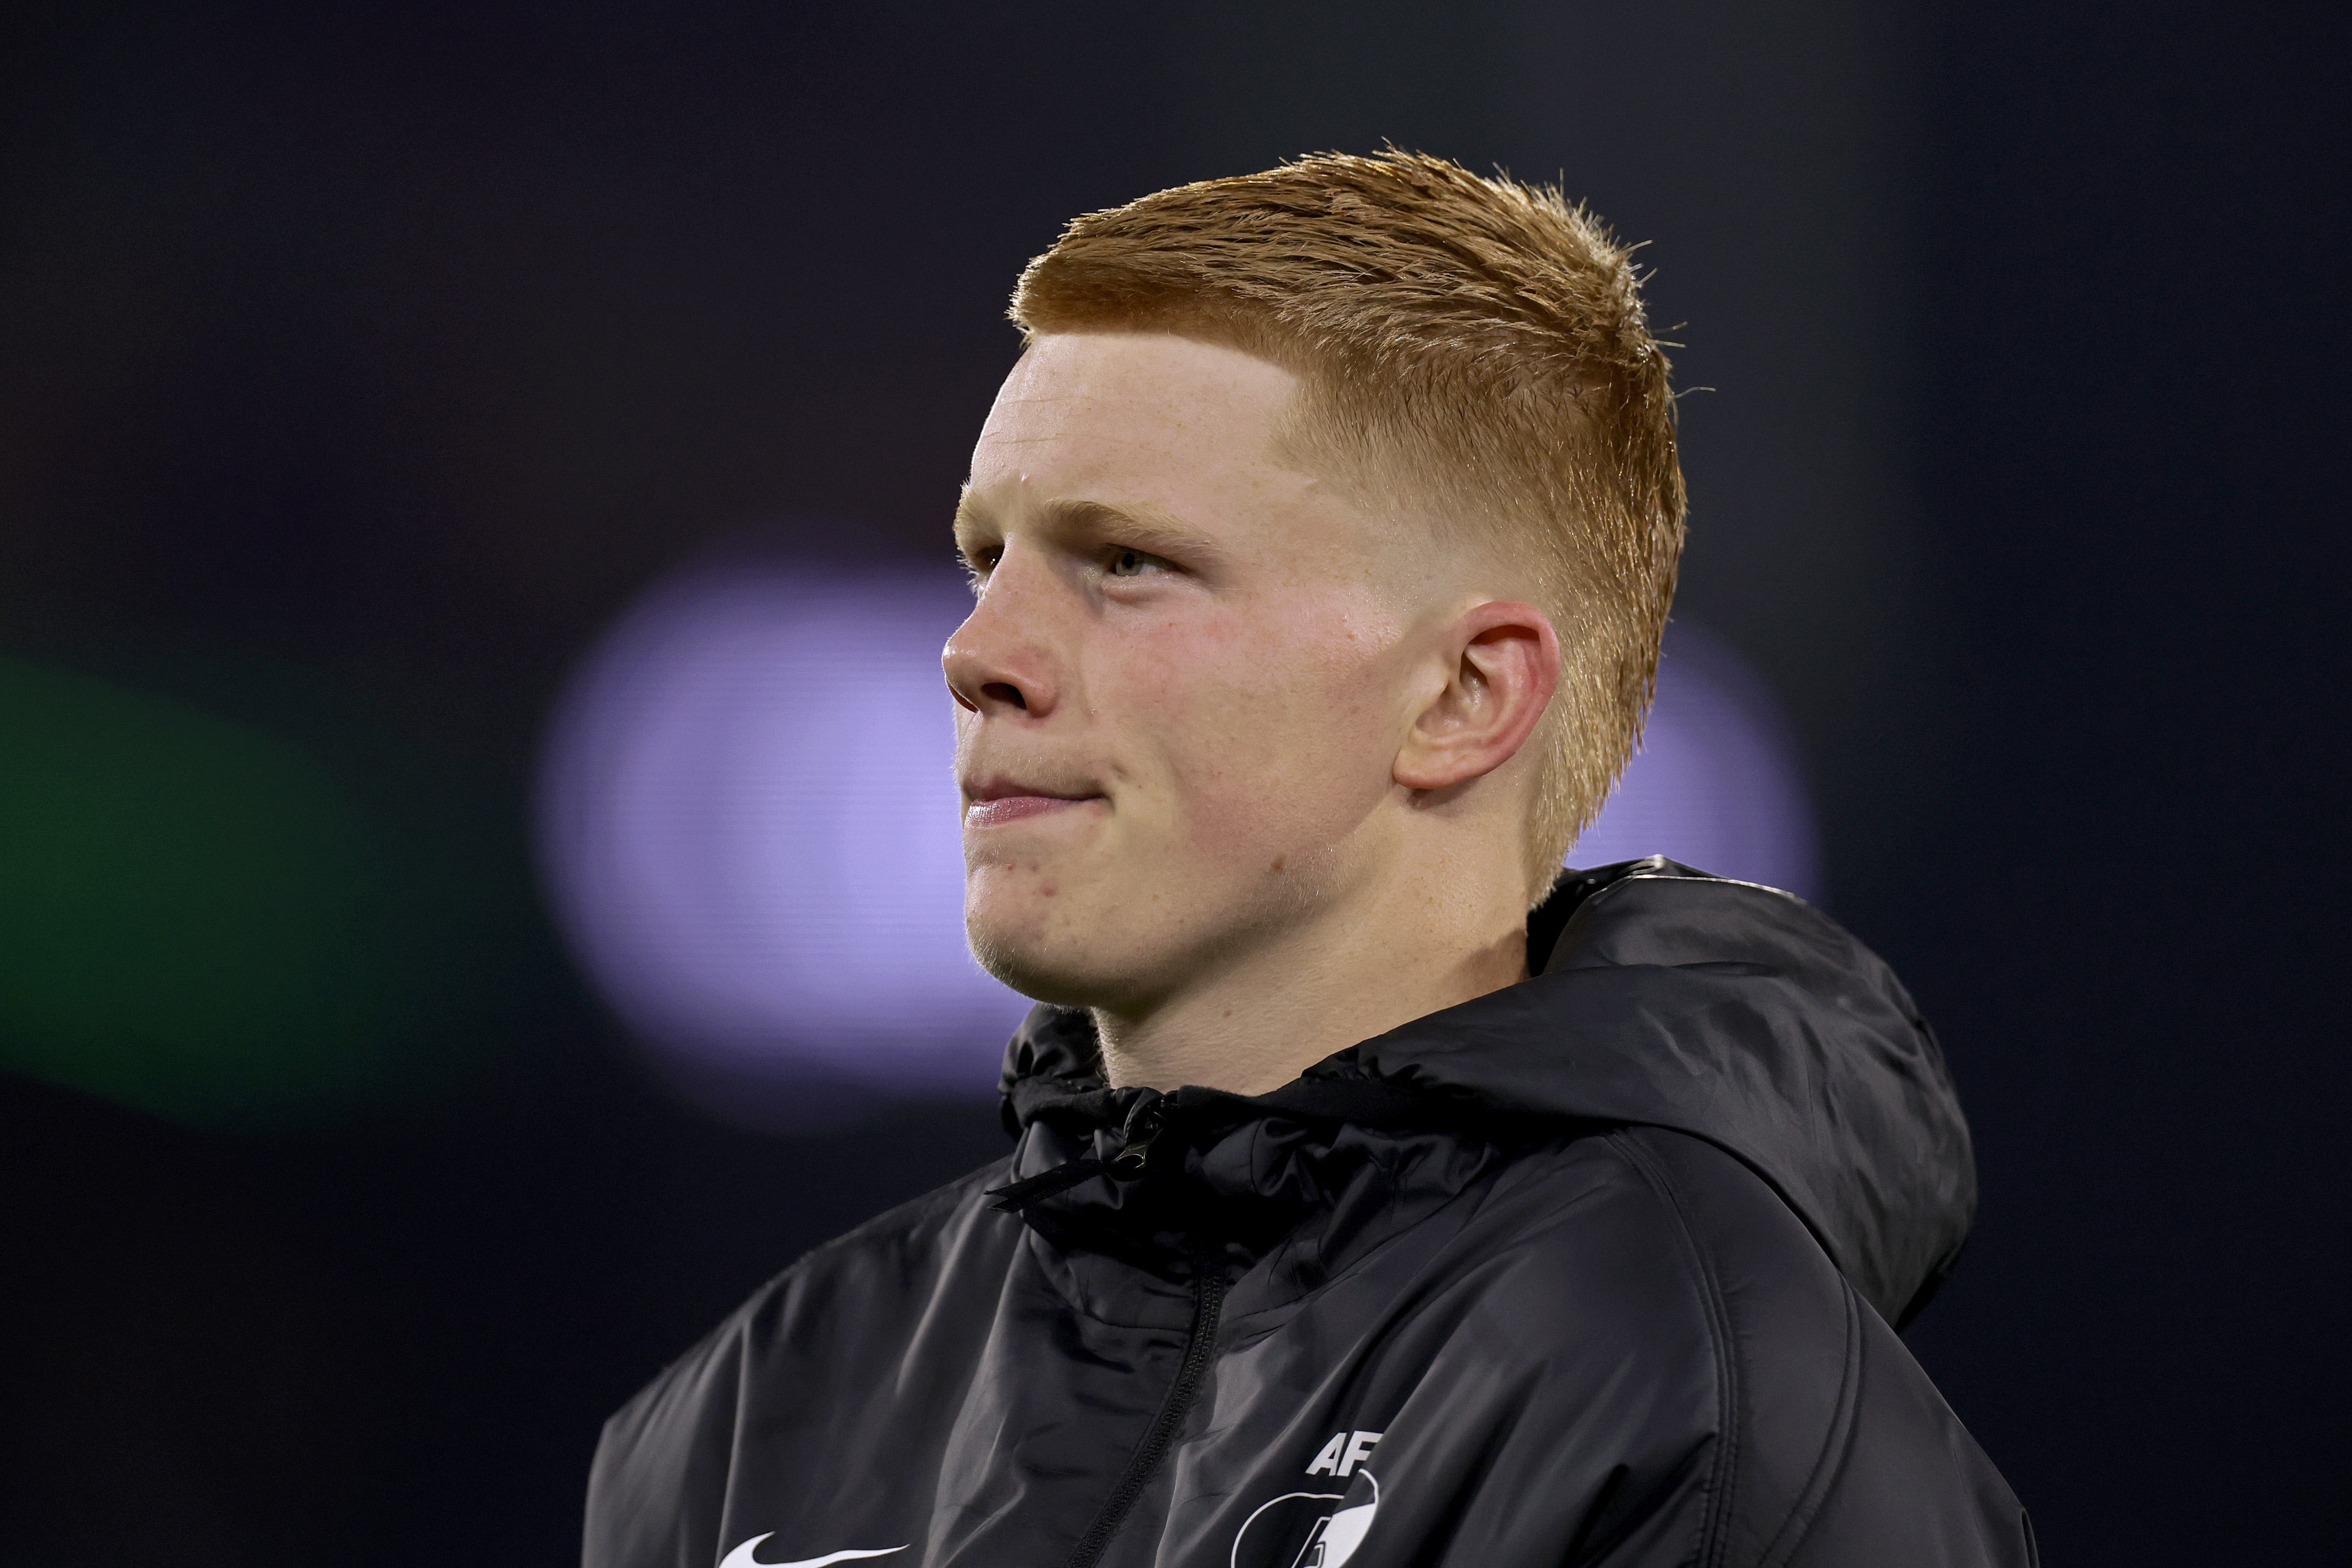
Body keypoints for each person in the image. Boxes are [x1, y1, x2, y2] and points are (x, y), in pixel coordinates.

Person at [583, 151, 2031, 1568]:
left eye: (1128, 562)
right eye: (987, 562)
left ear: (1463, 696)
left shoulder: (1715, 1406)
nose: (977, 656)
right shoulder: (743, 1419)